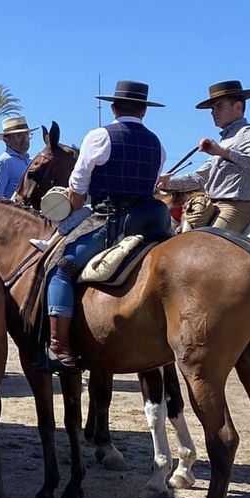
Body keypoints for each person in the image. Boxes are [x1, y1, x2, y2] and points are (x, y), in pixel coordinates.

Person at [43, 81, 168, 371]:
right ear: (143, 111)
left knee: (61, 269)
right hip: (150, 226)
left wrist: (69, 206)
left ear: (113, 107)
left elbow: (77, 189)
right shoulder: (156, 144)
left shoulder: (99, 136)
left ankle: (59, 346)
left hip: (109, 224)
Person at [158, 80, 250, 234]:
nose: (213, 112)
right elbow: (199, 178)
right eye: (212, 108)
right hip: (212, 206)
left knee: (203, 247)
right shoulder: (226, 139)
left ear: (237, 107)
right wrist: (165, 183)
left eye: (219, 106)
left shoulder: (248, 133)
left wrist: (223, 152)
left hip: (236, 208)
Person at [0, 115, 33, 199]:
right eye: (19, 136)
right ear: (6, 139)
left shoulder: (31, 161)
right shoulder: (3, 163)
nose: (25, 139)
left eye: (27, 134)